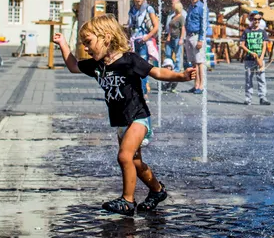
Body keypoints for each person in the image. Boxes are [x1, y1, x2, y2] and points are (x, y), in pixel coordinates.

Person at [52, 16, 196, 216]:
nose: (86, 48)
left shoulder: (129, 60)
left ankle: (127, 200)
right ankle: (157, 190)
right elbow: (74, 66)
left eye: (89, 42)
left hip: (138, 117)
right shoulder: (98, 65)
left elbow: (156, 73)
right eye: (84, 44)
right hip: (121, 122)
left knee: (124, 156)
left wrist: (181, 76)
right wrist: (63, 44)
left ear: (106, 38)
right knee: (135, 163)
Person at [126, 0, 160, 96]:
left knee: (142, 65)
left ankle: (143, 91)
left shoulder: (149, 9)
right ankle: (138, 88)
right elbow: (130, 26)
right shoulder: (132, 10)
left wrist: (147, 37)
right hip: (134, 40)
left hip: (144, 40)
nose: (139, 0)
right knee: (133, 66)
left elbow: (156, 26)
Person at [240, 11, 270, 105]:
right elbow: (241, 45)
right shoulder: (246, 31)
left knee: (261, 79)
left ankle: (263, 97)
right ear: (251, 19)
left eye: (258, 19)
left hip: (260, 59)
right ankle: (248, 98)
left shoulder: (262, 32)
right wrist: (250, 52)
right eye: (254, 19)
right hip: (249, 59)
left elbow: (264, 46)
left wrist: (261, 58)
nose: (257, 21)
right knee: (249, 79)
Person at [183, 0, 206, 94]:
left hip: (197, 36)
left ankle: (201, 86)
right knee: (193, 62)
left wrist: (201, 40)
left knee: (200, 62)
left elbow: (204, 25)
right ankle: (196, 84)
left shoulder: (201, 7)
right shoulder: (190, 7)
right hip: (189, 36)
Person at [164, 0, 185, 69]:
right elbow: (170, 28)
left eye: (173, 4)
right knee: (168, 52)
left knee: (178, 54)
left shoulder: (181, 17)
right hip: (171, 37)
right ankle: (169, 66)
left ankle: (177, 69)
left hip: (177, 38)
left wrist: (181, 39)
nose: (171, 5)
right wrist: (169, 36)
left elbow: (183, 28)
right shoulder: (172, 16)